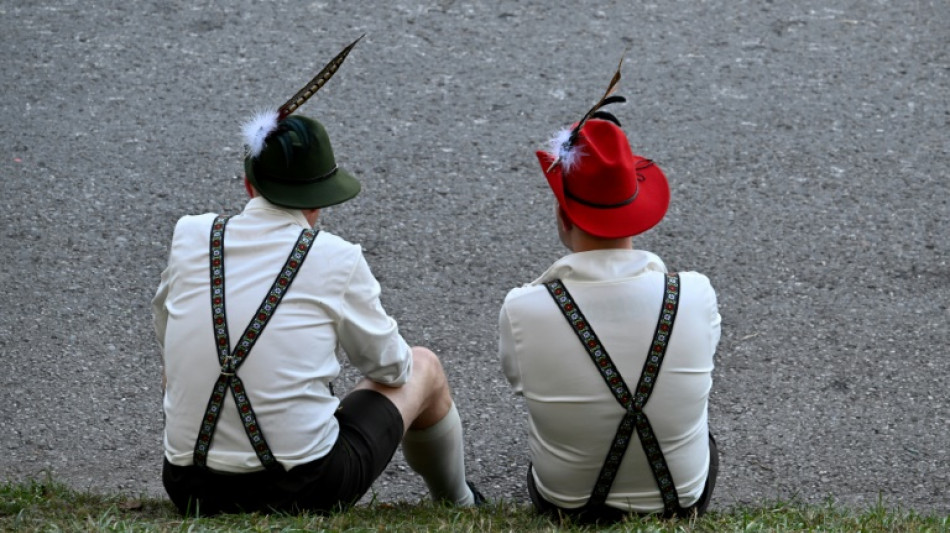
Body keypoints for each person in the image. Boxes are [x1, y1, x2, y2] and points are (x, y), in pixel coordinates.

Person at [152, 43, 482, 515]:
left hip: (188, 486)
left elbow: (169, 345)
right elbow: (391, 369)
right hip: (302, 489)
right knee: (424, 366)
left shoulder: (190, 234)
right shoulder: (335, 257)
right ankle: (461, 502)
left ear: (250, 185)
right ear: (322, 197)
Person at [498, 86, 721, 523]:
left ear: (564, 216)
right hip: (679, 501)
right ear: (638, 206)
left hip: (567, 505)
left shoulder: (523, 308)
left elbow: (523, 385)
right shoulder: (694, 294)